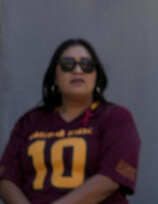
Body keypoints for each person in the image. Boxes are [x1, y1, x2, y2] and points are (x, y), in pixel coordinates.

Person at [0, 39, 141, 204]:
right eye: (68, 64)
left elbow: (111, 178)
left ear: (96, 76)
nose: (78, 70)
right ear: (55, 77)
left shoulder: (115, 117)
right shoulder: (30, 122)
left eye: (87, 65)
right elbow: (6, 178)